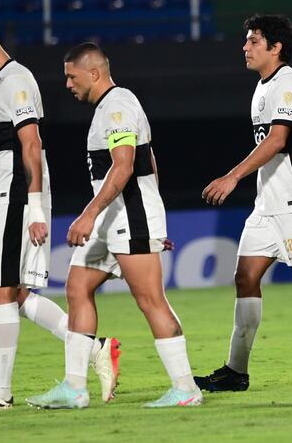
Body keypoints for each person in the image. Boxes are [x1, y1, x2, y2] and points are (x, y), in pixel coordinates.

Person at [0, 13, 118, 412]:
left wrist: (35, 209)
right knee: (15, 294)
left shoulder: (16, 82)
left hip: (18, 196)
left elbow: (30, 145)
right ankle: (95, 349)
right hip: (10, 194)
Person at [26, 43, 202, 409]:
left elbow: (123, 167)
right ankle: (75, 387)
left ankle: (186, 389)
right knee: (77, 286)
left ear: (94, 73)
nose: (68, 85)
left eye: (71, 77)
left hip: (128, 217)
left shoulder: (118, 105)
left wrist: (91, 214)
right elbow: (149, 160)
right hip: (117, 220)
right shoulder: (109, 107)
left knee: (150, 300)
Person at [196, 14, 292, 391]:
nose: (245, 47)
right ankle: (236, 371)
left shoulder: (287, 83)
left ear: (275, 47)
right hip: (267, 203)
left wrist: (232, 176)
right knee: (245, 276)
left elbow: (278, 140)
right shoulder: (264, 86)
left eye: (253, 41)